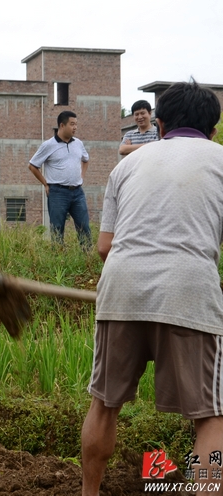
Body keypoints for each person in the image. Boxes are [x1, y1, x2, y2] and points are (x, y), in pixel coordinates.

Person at [82, 82, 223, 496]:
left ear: (159, 125)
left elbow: (105, 246)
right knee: (211, 417)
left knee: (104, 405)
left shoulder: (127, 166)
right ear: (213, 129)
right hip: (189, 293)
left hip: (120, 287)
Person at [28, 111, 91, 246]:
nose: (75, 127)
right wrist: (45, 184)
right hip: (57, 192)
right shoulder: (48, 145)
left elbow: (86, 160)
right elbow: (33, 166)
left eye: (76, 124)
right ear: (62, 125)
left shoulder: (78, 143)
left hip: (78, 192)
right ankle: (58, 260)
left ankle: (88, 259)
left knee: (84, 227)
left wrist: (82, 176)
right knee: (57, 229)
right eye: (72, 124)